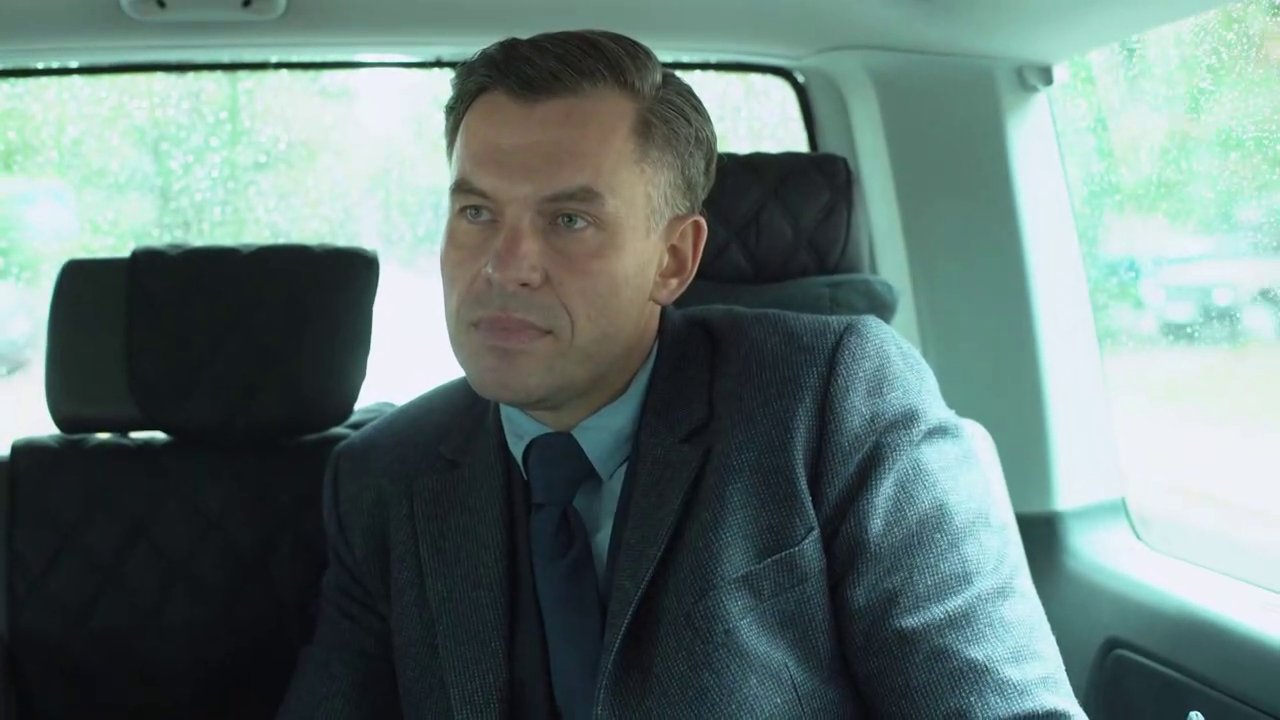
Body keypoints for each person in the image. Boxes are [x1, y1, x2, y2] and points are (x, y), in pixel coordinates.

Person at [278, 29, 1086, 719]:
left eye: (569, 220)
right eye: (477, 212)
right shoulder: (384, 475)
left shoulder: (832, 400)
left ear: (673, 259)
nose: (505, 265)